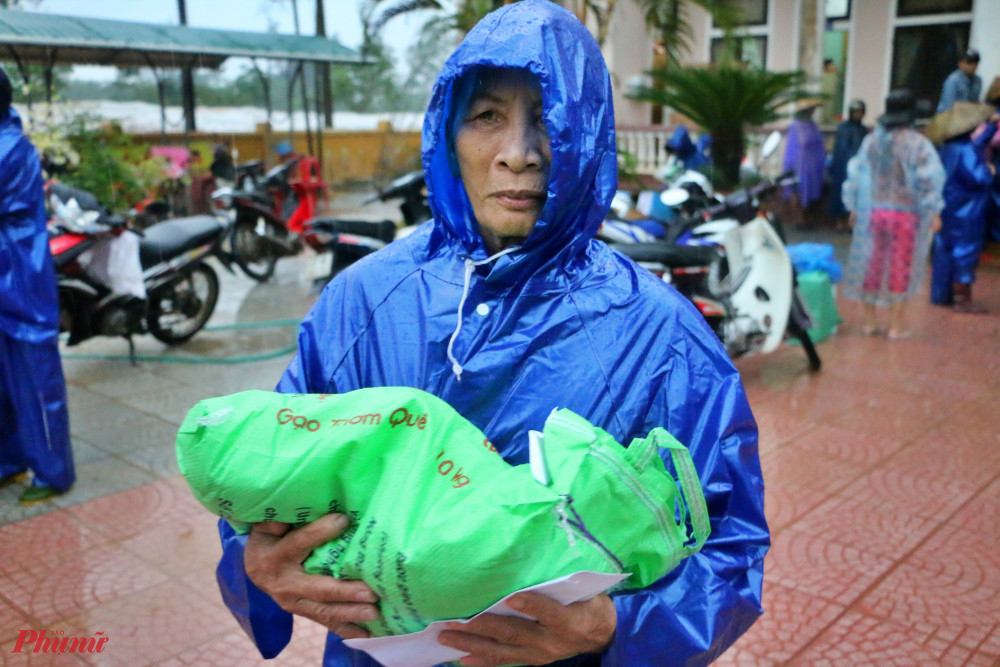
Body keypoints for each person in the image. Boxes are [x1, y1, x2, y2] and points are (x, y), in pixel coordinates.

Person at [214, 2, 768, 665]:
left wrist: (615, 626)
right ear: (447, 132)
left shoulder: (662, 335)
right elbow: (270, 472)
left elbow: (731, 547)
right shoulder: (361, 304)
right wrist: (258, 562)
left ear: (588, 134)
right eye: (487, 117)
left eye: (548, 120)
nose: (519, 155)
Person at [0, 66, 75, 504]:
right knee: (5, 386)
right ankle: (10, 462)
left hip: (18, 283)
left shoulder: (9, 147)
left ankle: (53, 472)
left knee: (34, 381)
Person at [841, 89, 945, 339]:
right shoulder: (917, 143)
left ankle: (868, 322)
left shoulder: (873, 141)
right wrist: (934, 211)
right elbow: (928, 179)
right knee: (900, 266)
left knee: (872, 264)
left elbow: (855, 173)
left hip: (875, 211)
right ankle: (895, 327)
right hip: (905, 215)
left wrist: (853, 205)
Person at [927, 102, 999, 313]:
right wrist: (989, 171)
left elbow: (978, 143)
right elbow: (978, 178)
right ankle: (962, 299)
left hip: (947, 206)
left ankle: (941, 294)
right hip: (967, 210)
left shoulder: (947, 148)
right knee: (965, 250)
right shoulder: (967, 150)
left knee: (944, 249)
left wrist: (991, 127)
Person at [782, 99, 827, 226]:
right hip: (799, 165)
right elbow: (796, 146)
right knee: (798, 191)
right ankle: (799, 218)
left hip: (811, 165)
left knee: (810, 190)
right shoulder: (796, 126)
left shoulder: (812, 124)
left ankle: (806, 217)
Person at [828, 99, 870, 228]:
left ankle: (850, 222)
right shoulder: (843, 128)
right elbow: (840, 149)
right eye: (855, 112)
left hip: (859, 168)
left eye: (860, 112)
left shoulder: (863, 130)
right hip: (843, 167)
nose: (858, 115)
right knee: (840, 194)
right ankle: (839, 222)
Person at [937, 48, 982, 113]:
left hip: (967, 118)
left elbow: (974, 102)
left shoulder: (978, 81)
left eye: (975, 63)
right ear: (960, 64)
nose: (972, 66)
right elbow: (947, 106)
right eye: (969, 62)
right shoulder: (953, 80)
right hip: (949, 117)